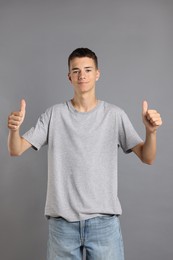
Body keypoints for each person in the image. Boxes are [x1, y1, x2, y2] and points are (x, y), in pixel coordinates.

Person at [8, 48, 162, 260]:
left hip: (104, 224)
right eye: (76, 70)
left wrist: (150, 132)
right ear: (69, 76)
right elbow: (16, 149)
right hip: (62, 226)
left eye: (88, 70)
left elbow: (148, 157)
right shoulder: (54, 114)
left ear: (97, 73)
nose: (82, 75)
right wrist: (14, 130)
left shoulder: (114, 115)